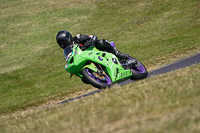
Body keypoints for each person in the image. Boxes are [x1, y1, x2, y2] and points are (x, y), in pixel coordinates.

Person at [56, 30, 129, 59]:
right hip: (85, 58)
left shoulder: (77, 38)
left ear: (68, 38)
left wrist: (87, 43)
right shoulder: (67, 53)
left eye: (63, 41)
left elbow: (93, 37)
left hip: (94, 50)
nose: (62, 44)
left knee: (100, 42)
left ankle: (118, 54)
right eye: (60, 42)